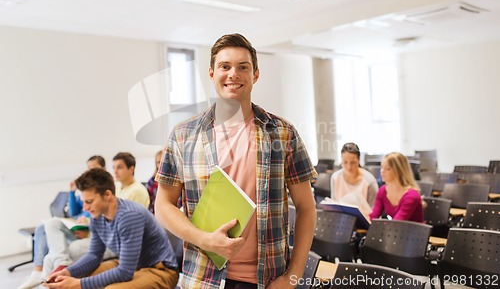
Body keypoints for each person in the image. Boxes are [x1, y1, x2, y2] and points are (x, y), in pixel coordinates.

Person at [154, 33, 317, 289]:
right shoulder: (183, 135)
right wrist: (205, 239)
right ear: (211, 73)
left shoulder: (283, 133)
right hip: (203, 279)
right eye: (225, 66)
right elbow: (163, 205)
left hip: (268, 281)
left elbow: (306, 208)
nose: (234, 74)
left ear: (255, 75)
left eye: (243, 67)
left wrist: (293, 278)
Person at [43, 168, 179, 289]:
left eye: (89, 202)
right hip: (134, 266)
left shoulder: (129, 216)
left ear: (107, 195)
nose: (85, 208)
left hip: (161, 271)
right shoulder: (97, 217)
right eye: (84, 202)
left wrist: (78, 285)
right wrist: (68, 272)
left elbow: (125, 272)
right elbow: (94, 255)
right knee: (79, 277)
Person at [18, 155, 105, 289]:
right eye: (88, 168)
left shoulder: (104, 188)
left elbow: (101, 212)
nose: (90, 171)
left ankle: (51, 268)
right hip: (78, 224)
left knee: (50, 256)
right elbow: (73, 211)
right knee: (47, 224)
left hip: (88, 230)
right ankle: (39, 270)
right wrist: (71, 192)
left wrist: (87, 224)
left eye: (93, 168)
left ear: (103, 169)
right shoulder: (86, 188)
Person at [369, 152, 423, 223]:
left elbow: (396, 224)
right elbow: (373, 217)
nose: (382, 171)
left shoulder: (411, 196)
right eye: (382, 167)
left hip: (412, 232)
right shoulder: (383, 190)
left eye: (387, 169)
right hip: (396, 231)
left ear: (398, 171)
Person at [330, 142, 378, 217]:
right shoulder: (335, 178)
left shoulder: (369, 181)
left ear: (359, 160)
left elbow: (374, 213)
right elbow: (334, 206)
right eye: (345, 162)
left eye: (353, 162)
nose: (349, 167)